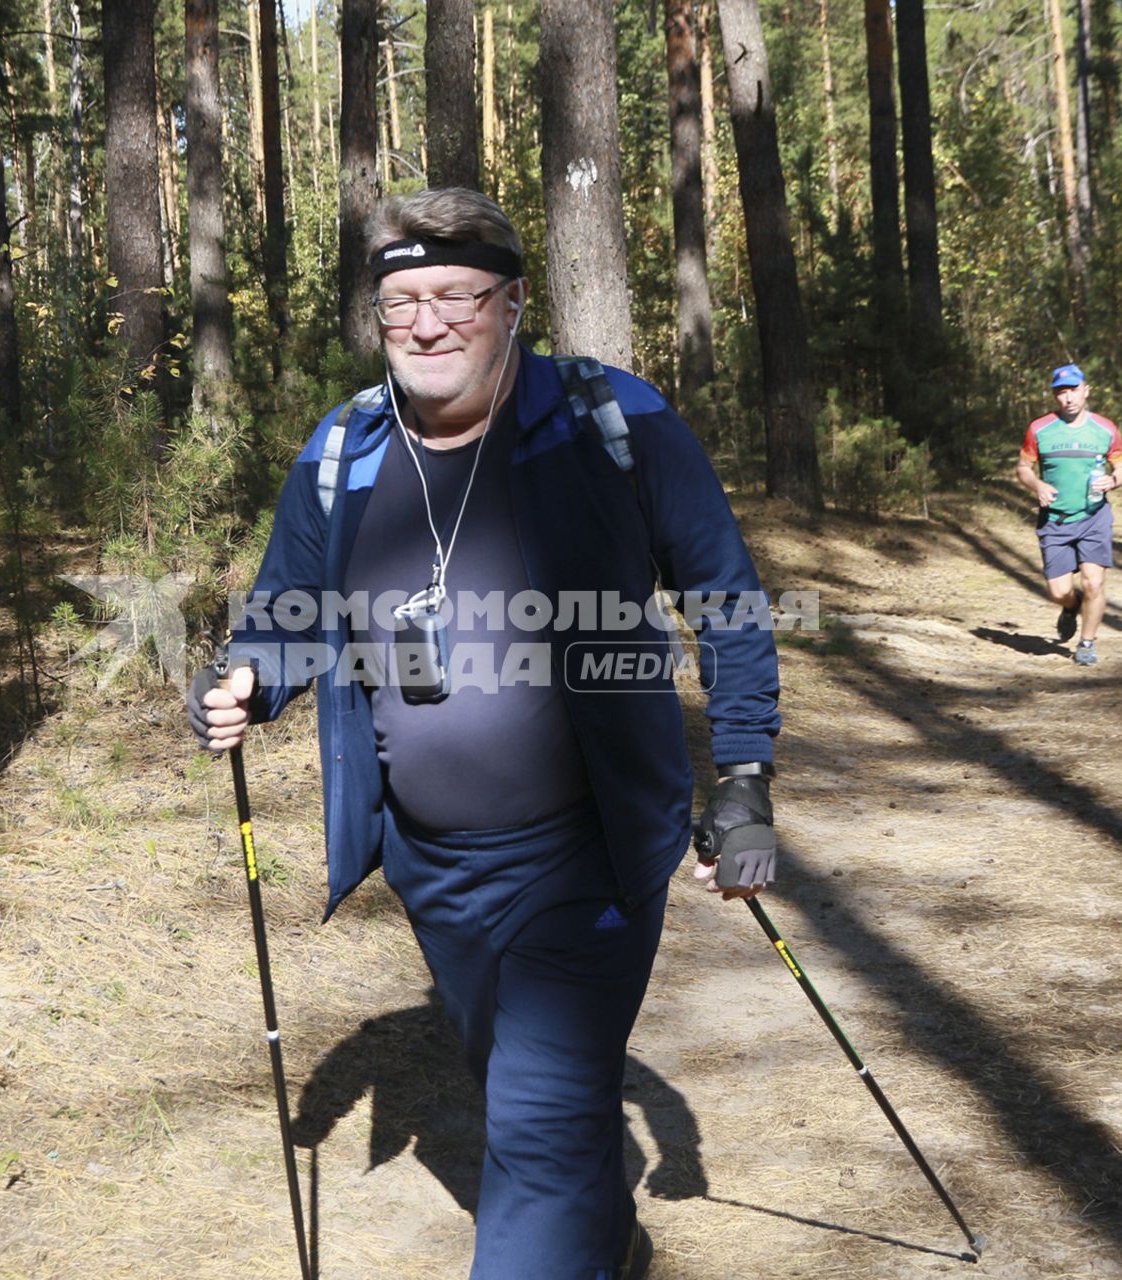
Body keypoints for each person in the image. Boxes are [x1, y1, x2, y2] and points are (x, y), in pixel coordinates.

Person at [187, 187, 781, 1280]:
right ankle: (611, 1245)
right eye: (401, 299)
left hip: (590, 854)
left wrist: (742, 776)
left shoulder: (617, 422)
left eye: (457, 295)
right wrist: (245, 681)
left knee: (542, 1117)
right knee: (521, 1086)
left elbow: (728, 596)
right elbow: (287, 610)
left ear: (512, 303)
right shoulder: (344, 448)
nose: (427, 322)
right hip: (432, 862)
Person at [1015, 363, 1122, 666]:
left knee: (1094, 583)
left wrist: (1115, 480)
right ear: (1055, 396)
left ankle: (1087, 643)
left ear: (1086, 390)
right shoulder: (1040, 429)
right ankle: (1071, 607)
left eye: (1073, 390)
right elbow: (1023, 467)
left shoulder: (1105, 429)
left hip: (1094, 516)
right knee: (1059, 591)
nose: (1068, 398)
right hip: (1055, 520)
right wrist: (1037, 484)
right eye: (1061, 392)